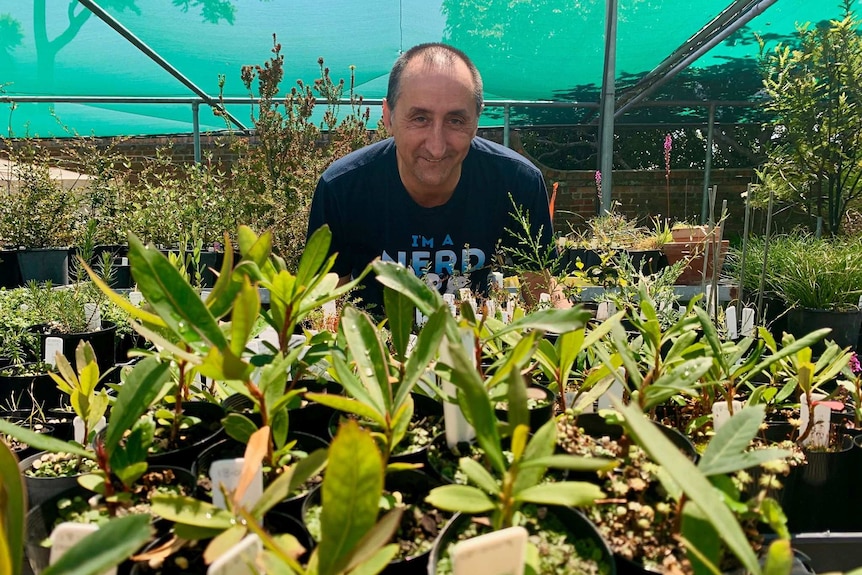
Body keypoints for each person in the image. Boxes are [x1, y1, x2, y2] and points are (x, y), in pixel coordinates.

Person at [306, 42, 553, 310]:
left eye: (455, 121)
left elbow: (541, 303)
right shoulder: (343, 189)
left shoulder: (517, 183)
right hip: (372, 344)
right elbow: (324, 313)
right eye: (420, 118)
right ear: (388, 117)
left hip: (472, 343)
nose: (436, 147)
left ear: (476, 121)